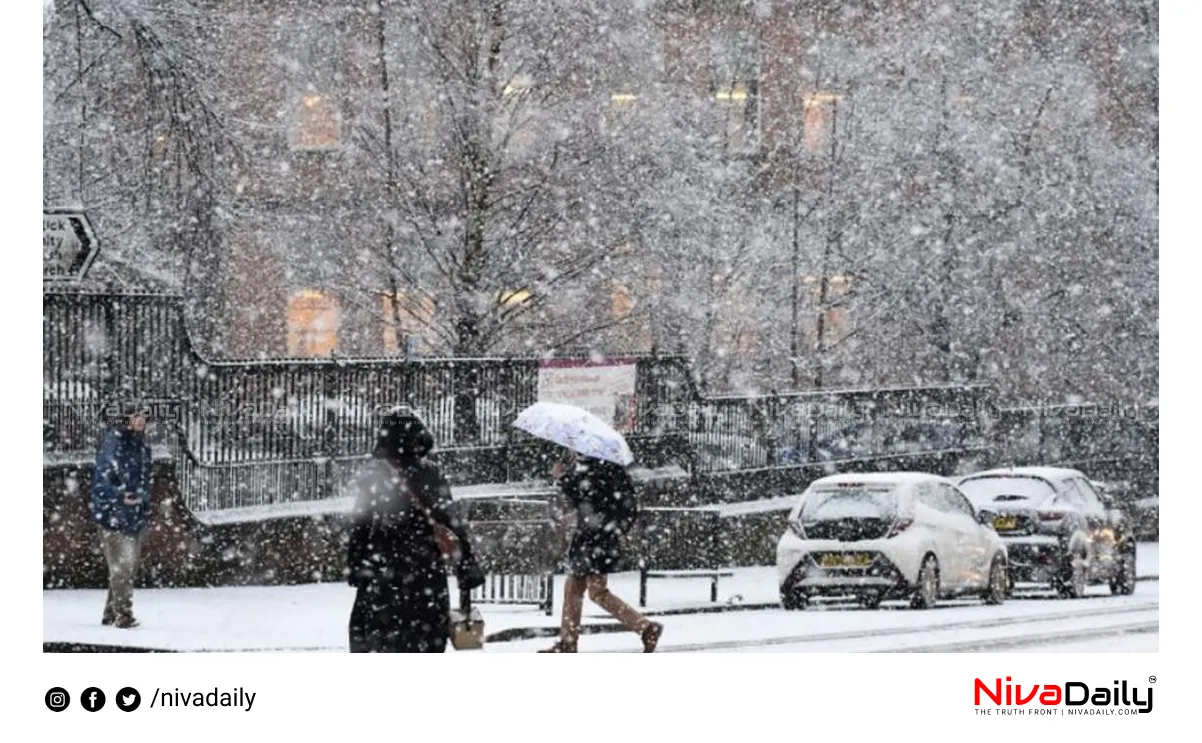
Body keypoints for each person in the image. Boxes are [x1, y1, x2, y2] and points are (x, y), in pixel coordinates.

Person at [345, 409, 481, 653]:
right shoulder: (430, 474)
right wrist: (466, 564)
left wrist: (355, 563)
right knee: (424, 641)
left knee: (381, 642)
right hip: (425, 573)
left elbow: (361, 524)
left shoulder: (376, 476)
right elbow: (451, 520)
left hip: (383, 573)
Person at [541, 450, 663, 653]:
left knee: (596, 592)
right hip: (596, 540)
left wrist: (562, 477)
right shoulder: (612, 472)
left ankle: (646, 628)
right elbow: (599, 505)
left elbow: (584, 495)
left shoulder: (598, 470)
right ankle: (568, 642)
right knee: (574, 589)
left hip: (595, 542)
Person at [90, 402, 153, 629]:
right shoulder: (114, 444)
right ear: (127, 419)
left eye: (144, 417)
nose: (141, 420)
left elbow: (145, 479)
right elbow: (102, 480)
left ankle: (111, 612)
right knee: (123, 568)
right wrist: (120, 496)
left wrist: (142, 499)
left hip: (133, 515)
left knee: (126, 568)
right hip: (113, 516)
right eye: (137, 416)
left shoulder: (141, 446)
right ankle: (123, 616)